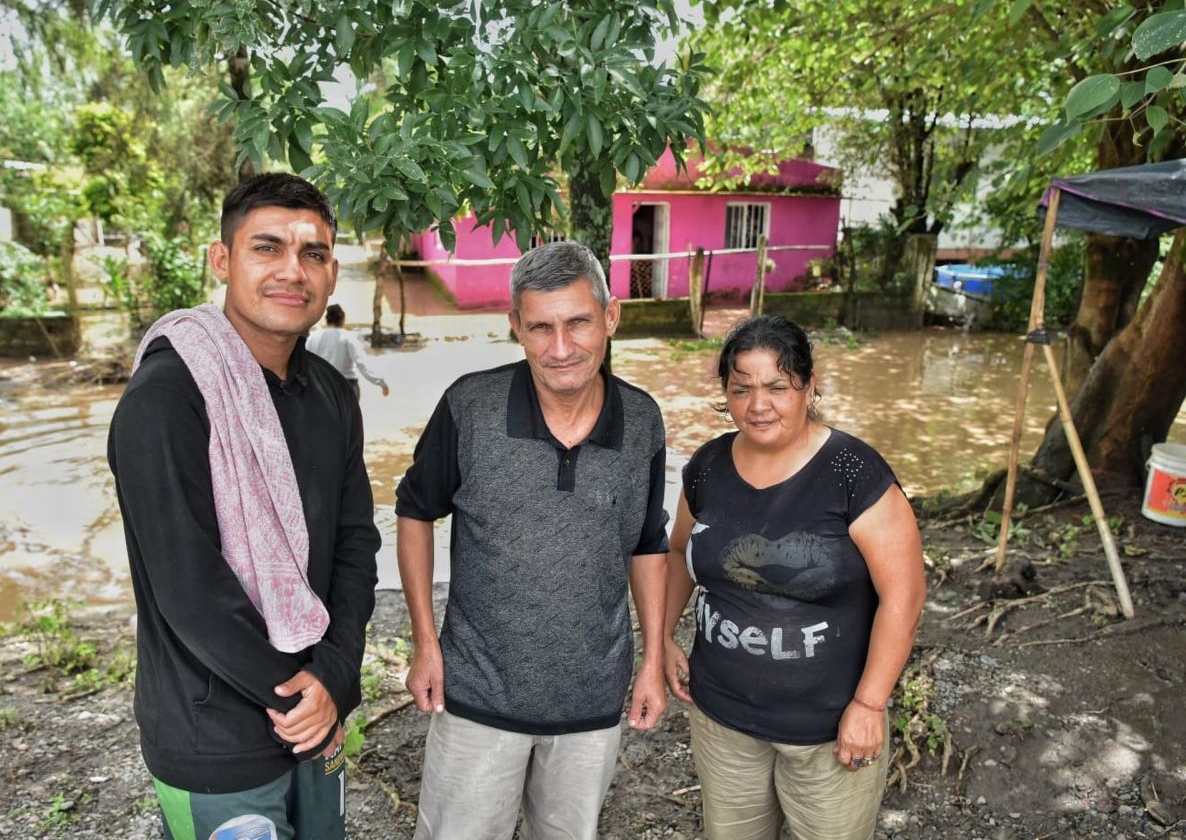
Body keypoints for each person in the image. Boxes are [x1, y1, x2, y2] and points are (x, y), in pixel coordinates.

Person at [107, 173, 380, 840]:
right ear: (222, 260)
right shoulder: (167, 399)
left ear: (332, 271)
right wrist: (299, 691)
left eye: (313, 253)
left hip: (317, 711)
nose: (293, 270)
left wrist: (335, 678)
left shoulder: (331, 395)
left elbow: (355, 542)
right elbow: (189, 588)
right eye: (267, 247)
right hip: (214, 734)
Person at [395, 241, 669, 840]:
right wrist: (424, 642)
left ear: (611, 316)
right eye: (540, 327)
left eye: (578, 323)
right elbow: (414, 511)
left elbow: (648, 543)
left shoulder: (643, 418)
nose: (561, 348)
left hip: (592, 698)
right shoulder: (470, 405)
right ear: (515, 325)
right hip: (476, 693)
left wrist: (652, 659)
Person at [662, 315, 925, 840]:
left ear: (808, 385)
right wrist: (663, 635)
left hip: (827, 729)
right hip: (723, 720)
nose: (758, 405)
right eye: (742, 388)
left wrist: (870, 703)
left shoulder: (853, 473)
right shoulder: (708, 466)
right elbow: (677, 552)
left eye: (777, 386)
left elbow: (905, 593)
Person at [307, 303, 390, 402]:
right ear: (342, 319)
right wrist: (380, 382)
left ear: (327, 319)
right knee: (349, 417)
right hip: (347, 386)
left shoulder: (313, 337)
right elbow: (362, 364)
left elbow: (305, 365)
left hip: (322, 387)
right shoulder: (349, 337)